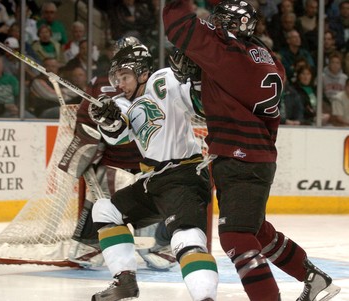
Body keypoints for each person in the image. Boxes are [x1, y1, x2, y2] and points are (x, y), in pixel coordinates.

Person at [163, 1, 341, 301]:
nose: (216, 27)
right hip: (257, 154)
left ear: (232, 27)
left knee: (235, 236)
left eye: (221, 23)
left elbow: (177, 23)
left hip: (239, 157)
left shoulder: (225, 56)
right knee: (255, 230)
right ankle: (314, 278)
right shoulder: (267, 57)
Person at [88, 43, 218, 301]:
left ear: (142, 73)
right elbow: (117, 134)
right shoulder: (123, 103)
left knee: (186, 240)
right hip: (153, 182)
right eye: (117, 78)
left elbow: (201, 107)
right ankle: (125, 282)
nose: (120, 84)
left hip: (184, 176)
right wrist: (106, 117)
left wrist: (196, 81)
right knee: (105, 210)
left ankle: (206, 298)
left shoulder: (164, 79)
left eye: (124, 77)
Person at [59, 72, 177, 271]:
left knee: (163, 188)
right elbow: (85, 120)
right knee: (103, 190)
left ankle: (158, 245)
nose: (122, 83)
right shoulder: (101, 83)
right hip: (113, 163)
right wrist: (86, 150)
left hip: (148, 164)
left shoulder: (158, 85)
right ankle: (90, 245)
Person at [0, 53, 34, 118]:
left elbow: (19, 97)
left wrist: (17, 107)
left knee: (33, 119)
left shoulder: (11, 79)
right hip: (0, 113)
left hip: (16, 110)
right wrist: (5, 107)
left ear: (2, 65)